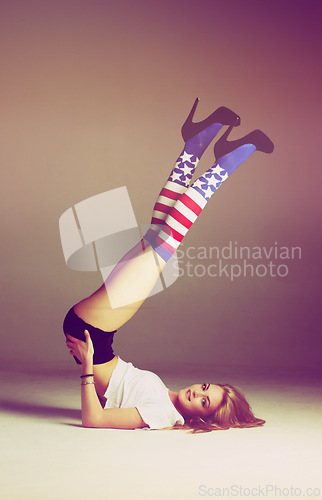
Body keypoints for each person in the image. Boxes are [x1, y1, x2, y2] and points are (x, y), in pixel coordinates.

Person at [63, 98, 273, 432]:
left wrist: (86, 367)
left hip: (93, 333)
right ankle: (195, 143)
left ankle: (226, 159)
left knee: (166, 242)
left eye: (204, 402)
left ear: (202, 418)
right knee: (159, 233)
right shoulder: (166, 396)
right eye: (206, 388)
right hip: (99, 333)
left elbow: (95, 419)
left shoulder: (163, 415)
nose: (197, 393)